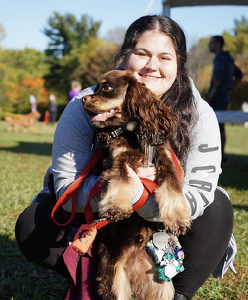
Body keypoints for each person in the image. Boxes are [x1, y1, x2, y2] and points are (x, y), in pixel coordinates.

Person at [15, 16, 236, 300]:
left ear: (179, 63)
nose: (152, 66)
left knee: (217, 208)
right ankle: (92, 280)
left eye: (165, 57)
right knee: (34, 222)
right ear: (125, 56)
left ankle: (176, 294)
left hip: (166, 231)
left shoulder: (199, 113)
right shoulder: (84, 105)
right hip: (103, 223)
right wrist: (122, 193)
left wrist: (143, 200)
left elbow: (200, 191)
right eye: (141, 54)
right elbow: (66, 187)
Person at [208, 35, 243, 165]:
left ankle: (219, 158)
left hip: (218, 96)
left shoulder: (220, 58)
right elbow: (239, 75)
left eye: (211, 43)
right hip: (224, 95)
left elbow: (218, 75)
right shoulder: (229, 59)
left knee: (216, 126)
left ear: (217, 44)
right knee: (220, 126)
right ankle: (221, 157)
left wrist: (213, 91)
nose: (209, 46)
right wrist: (229, 88)